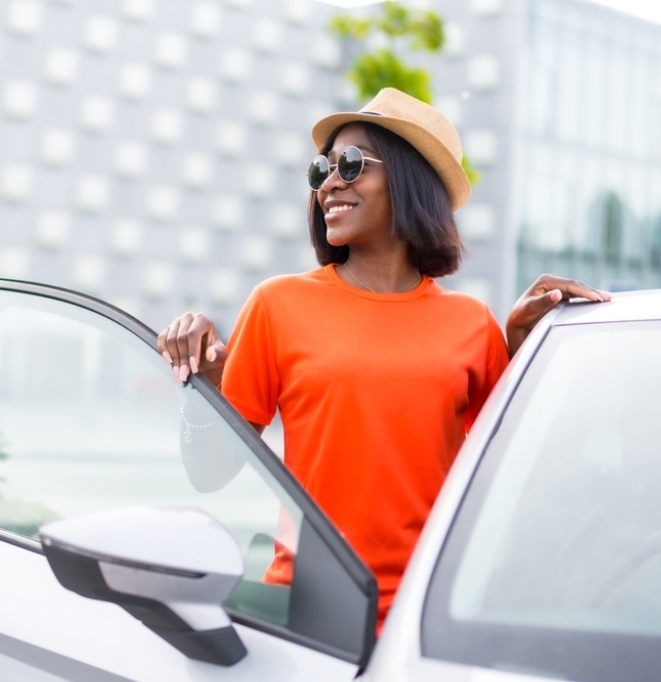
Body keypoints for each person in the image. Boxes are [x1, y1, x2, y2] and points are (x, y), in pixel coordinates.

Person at [157, 88, 609, 628]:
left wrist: (519, 351)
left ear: (408, 181)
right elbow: (210, 474)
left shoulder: (471, 323)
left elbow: (514, 474)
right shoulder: (277, 304)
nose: (328, 183)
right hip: (312, 616)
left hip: (432, 618)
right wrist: (203, 388)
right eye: (322, 168)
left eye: (350, 164)